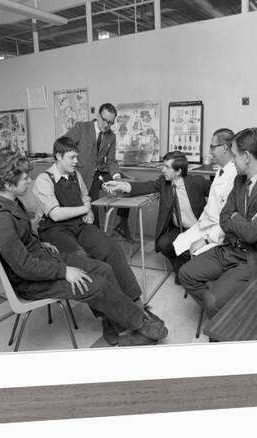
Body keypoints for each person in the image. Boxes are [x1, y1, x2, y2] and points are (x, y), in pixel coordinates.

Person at [26, 140, 167, 345]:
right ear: (57, 156)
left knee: (112, 248)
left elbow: (85, 197)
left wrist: (89, 211)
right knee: (85, 261)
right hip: (54, 230)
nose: (76, 161)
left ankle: (135, 303)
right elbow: (55, 214)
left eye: (77, 157)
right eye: (71, 158)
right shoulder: (44, 179)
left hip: (78, 225)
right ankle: (109, 318)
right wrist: (86, 209)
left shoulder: (76, 176)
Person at [178, 127, 257, 319]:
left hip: (254, 257)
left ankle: (226, 323)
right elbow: (224, 217)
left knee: (213, 300)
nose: (232, 160)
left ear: (246, 156)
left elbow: (252, 234)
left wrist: (235, 217)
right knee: (186, 274)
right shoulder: (240, 180)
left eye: (235, 155)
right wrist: (239, 220)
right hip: (232, 248)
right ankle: (229, 316)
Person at [104, 151, 210, 283]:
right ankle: (183, 271)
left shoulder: (197, 182)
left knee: (190, 252)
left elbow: (218, 194)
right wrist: (122, 185)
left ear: (178, 171)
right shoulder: (163, 183)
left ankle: (185, 273)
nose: (162, 169)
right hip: (177, 229)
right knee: (163, 244)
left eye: (167, 167)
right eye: (163, 165)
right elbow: (145, 186)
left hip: (198, 228)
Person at [66, 102, 131, 238]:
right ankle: (94, 238)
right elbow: (63, 145)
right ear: (98, 116)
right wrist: (71, 166)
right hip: (82, 174)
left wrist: (117, 177)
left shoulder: (111, 136)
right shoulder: (81, 128)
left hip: (100, 172)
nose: (106, 125)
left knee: (127, 185)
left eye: (110, 122)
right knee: (92, 209)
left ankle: (122, 225)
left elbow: (111, 160)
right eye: (104, 120)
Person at [186, 128, 237, 254]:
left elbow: (229, 219)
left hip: (216, 234)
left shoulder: (234, 175)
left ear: (225, 148)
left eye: (212, 147)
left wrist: (206, 239)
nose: (209, 152)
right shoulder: (221, 170)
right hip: (205, 227)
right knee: (175, 245)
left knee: (188, 256)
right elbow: (211, 205)